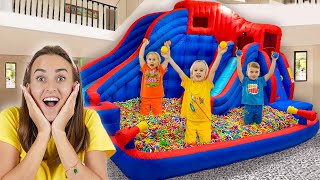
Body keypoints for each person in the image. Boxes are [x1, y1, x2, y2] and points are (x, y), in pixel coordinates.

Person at [0, 46, 116, 179]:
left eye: (61, 78)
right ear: (28, 88)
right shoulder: (11, 118)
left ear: (74, 87)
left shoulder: (89, 120)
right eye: (40, 78)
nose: (50, 88)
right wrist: (43, 133)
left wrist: (59, 133)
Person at [161, 41, 228, 145]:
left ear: (205, 74)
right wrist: (169, 58)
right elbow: (179, 71)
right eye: (196, 70)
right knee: (189, 143)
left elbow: (213, 70)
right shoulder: (188, 83)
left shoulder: (207, 84)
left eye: (201, 70)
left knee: (205, 142)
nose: (198, 72)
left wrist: (219, 54)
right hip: (191, 120)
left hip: (204, 120)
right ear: (192, 74)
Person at [237, 52, 278, 125]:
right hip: (248, 106)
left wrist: (274, 60)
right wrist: (239, 58)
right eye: (251, 72)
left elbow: (270, 73)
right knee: (248, 123)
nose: (254, 74)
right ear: (247, 73)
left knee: (258, 123)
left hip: (259, 106)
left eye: (256, 72)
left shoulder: (261, 81)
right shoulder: (245, 80)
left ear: (259, 73)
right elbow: (239, 72)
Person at [139, 38, 169, 115]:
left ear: (158, 62)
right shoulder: (145, 68)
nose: (151, 61)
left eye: (154, 59)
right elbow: (140, 57)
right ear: (147, 61)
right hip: (145, 96)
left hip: (157, 97)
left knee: (158, 115)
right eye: (149, 59)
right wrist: (144, 45)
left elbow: (167, 60)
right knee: (144, 115)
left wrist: (168, 49)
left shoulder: (160, 70)